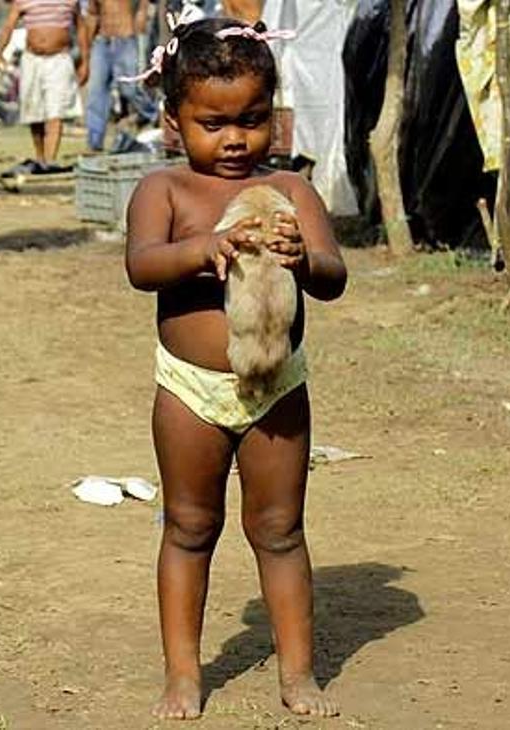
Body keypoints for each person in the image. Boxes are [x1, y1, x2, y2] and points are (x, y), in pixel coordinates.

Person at [124, 16, 347, 721]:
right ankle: (184, 674)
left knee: (280, 530)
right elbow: (141, 266)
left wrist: (302, 258)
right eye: (213, 123)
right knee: (188, 527)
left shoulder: (293, 191)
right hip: (190, 392)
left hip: (276, 387)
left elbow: (333, 275)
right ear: (173, 121)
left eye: (251, 120)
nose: (234, 140)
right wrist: (203, 249)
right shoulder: (165, 192)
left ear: (273, 118)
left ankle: (298, 673)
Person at [0, 0, 89, 174]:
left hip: (59, 59)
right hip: (32, 60)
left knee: (56, 113)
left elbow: (81, 27)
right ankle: (40, 159)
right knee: (34, 114)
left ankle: (50, 160)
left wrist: (85, 61)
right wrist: (0, 52)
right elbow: (9, 25)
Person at [84, 0, 159, 152]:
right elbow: (92, 14)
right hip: (102, 41)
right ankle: (95, 142)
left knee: (129, 89)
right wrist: (87, 46)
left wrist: (141, 17)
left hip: (125, 38)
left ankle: (153, 114)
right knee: (96, 92)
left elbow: (144, 3)